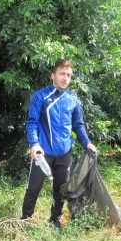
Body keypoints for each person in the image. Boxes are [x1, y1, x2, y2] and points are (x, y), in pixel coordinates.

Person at [21, 60, 97, 228]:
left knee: (61, 191)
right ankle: (25, 221)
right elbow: (32, 122)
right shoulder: (40, 97)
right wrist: (34, 144)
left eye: (69, 75)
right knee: (33, 188)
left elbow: (78, 125)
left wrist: (87, 143)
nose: (65, 78)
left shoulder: (72, 100)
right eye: (62, 74)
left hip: (64, 153)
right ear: (53, 75)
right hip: (43, 153)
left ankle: (55, 220)